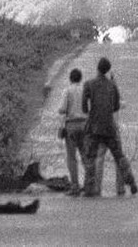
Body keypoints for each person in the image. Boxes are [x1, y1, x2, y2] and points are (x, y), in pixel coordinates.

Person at [81, 57, 138, 197]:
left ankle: (91, 188)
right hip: (109, 127)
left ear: (97, 68)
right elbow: (117, 106)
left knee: (91, 157)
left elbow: (84, 107)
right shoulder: (112, 85)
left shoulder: (89, 84)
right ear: (108, 70)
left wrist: (92, 111)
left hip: (94, 127)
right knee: (119, 156)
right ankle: (131, 182)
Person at [58, 68, 89, 196]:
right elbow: (89, 108)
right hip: (84, 124)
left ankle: (75, 186)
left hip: (71, 125)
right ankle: (89, 184)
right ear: (80, 78)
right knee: (85, 155)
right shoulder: (85, 91)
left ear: (70, 78)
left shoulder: (67, 90)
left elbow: (62, 109)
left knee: (72, 157)